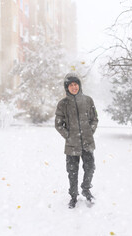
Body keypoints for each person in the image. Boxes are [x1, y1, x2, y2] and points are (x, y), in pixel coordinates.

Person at [55, 73, 98, 208]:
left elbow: (94, 119)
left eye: (76, 84)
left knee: (90, 168)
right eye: (71, 85)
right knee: (72, 171)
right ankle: (73, 196)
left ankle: (86, 189)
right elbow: (58, 124)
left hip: (87, 142)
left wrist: (90, 131)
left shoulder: (88, 100)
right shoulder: (63, 104)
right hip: (71, 144)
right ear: (67, 88)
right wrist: (68, 135)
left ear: (79, 85)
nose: (74, 87)